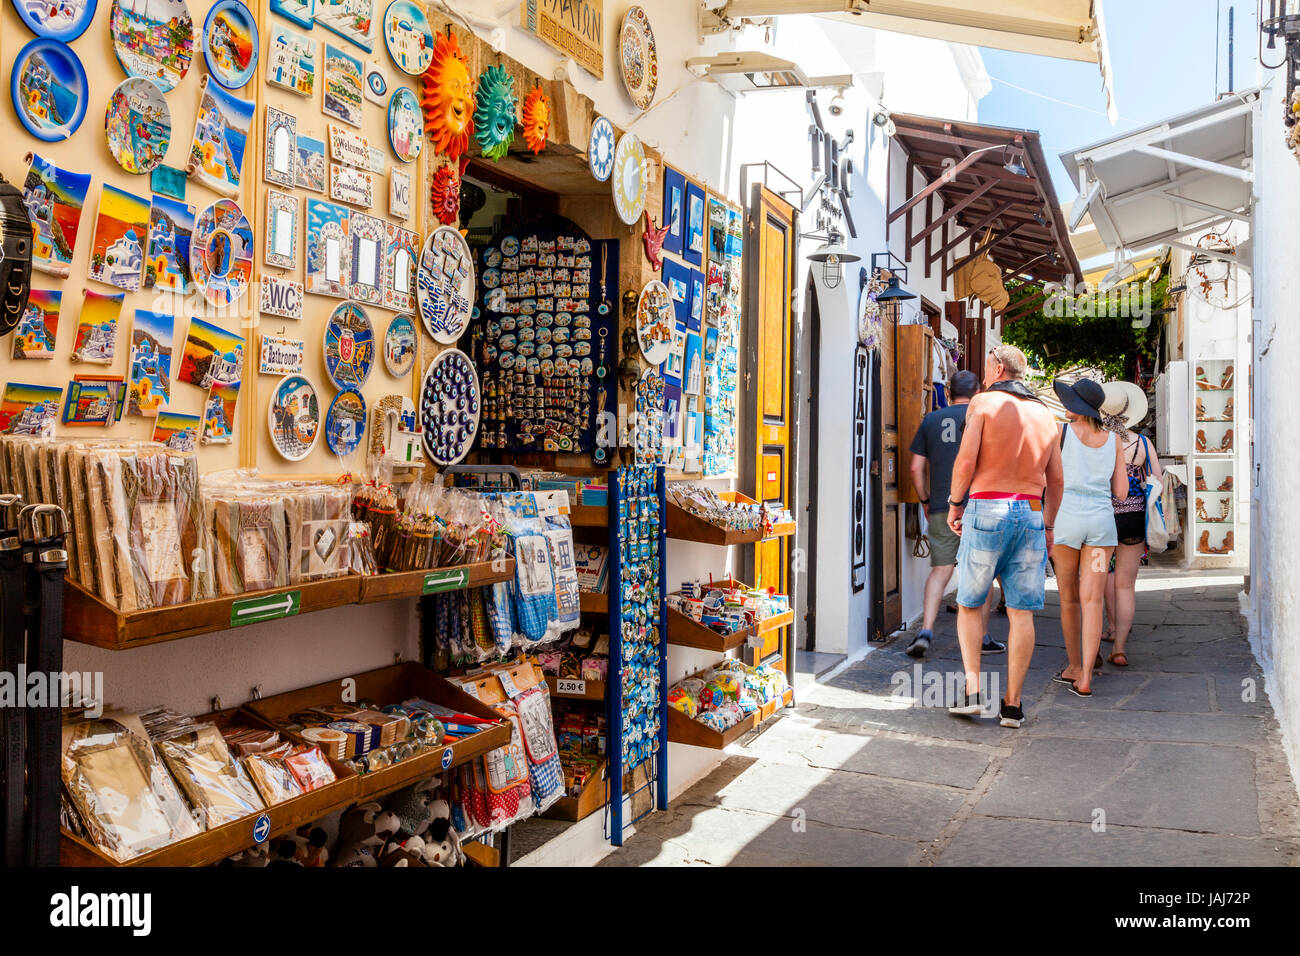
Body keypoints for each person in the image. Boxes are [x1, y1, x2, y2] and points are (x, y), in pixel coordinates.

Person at [945, 344, 1063, 728]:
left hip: (987, 507)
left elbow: (966, 460)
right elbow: (1056, 480)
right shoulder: (1046, 415)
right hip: (1030, 511)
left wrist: (955, 503)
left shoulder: (982, 404)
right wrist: (1047, 525)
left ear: (997, 368)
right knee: (1021, 611)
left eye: (986, 365)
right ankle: (1013, 705)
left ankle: (973, 692)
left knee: (970, 601)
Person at [905, 371, 1005, 658]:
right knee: (982, 574)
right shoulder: (984, 419)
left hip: (940, 505)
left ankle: (925, 630)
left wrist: (925, 499)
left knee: (940, 570)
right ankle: (981, 637)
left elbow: (915, 468)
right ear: (977, 394)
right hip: (979, 505)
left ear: (947, 392)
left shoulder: (931, 420)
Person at [1050, 378, 1130, 698]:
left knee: (1069, 599)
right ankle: (1086, 679)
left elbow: (1049, 478)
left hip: (1067, 523)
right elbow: (1121, 492)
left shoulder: (1061, 433)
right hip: (1100, 526)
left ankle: (1073, 666)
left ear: (1078, 407)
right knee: (1093, 601)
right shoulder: (1114, 440)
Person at [1099, 381, 1161, 668]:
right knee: (1126, 585)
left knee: (1101, 579)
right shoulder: (1142, 443)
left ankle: (1109, 629)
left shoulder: (1096, 441)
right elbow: (1157, 480)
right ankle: (1120, 648)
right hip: (1134, 517)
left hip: (1101, 518)